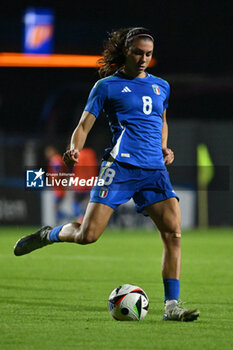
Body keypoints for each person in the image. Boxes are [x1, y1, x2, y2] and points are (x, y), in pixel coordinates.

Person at [14, 27, 199, 322]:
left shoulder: (161, 86)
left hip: (154, 170)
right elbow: (84, 125)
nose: (143, 59)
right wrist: (74, 148)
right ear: (126, 51)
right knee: (88, 236)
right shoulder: (107, 87)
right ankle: (48, 234)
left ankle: (171, 306)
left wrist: (164, 147)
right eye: (138, 52)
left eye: (148, 54)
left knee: (173, 234)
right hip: (119, 168)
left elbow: (161, 120)